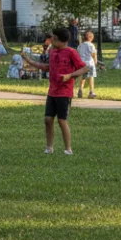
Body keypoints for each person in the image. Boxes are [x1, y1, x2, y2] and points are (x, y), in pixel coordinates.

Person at [22, 27, 88, 155]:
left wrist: (70, 75)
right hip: (52, 91)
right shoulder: (52, 52)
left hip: (65, 92)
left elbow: (84, 68)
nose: (51, 39)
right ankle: (49, 147)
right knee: (48, 119)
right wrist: (30, 61)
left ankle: (68, 149)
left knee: (61, 120)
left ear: (59, 40)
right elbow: (48, 67)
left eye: (53, 37)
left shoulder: (71, 52)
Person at [76, 30, 98, 98]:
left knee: (83, 78)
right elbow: (93, 54)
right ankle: (91, 92)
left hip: (82, 64)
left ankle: (80, 90)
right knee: (91, 77)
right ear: (90, 38)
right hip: (90, 63)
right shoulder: (91, 45)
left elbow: (78, 53)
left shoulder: (80, 46)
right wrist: (95, 61)